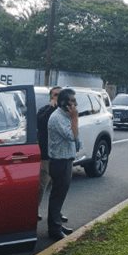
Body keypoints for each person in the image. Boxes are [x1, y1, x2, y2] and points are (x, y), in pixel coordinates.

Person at [47, 88, 80, 240]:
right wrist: (75, 118)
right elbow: (72, 136)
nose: (75, 104)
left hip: (66, 159)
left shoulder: (65, 116)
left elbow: (76, 138)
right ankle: (54, 229)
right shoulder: (57, 118)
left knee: (61, 195)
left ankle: (58, 223)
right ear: (63, 102)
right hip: (59, 161)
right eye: (72, 101)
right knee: (57, 195)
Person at [37, 86, 68, 222]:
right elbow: (41, 122)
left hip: (61, 156)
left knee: (59, 188)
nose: (57, 97)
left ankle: (56, 213)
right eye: (55, 95)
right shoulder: (45, 110)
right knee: (41, 185)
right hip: (47, 156)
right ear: (51, 96)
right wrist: (52, 108)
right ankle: (34, 210)